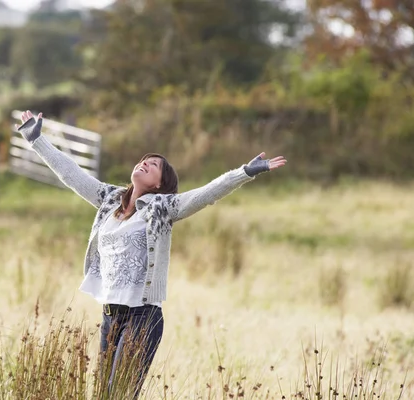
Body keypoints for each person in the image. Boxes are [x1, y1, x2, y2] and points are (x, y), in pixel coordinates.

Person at [15, 110, 287, 398]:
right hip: (110, 315)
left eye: (154, 164)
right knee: (104, 396)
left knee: (120, 394)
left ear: (159, 183)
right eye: (144, 160)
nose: (145, 163)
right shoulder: (109, 200)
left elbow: (207, 194)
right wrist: (36, 139)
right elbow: (71, 174)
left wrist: (244, 172)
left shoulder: (162, 209)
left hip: (143, 317)